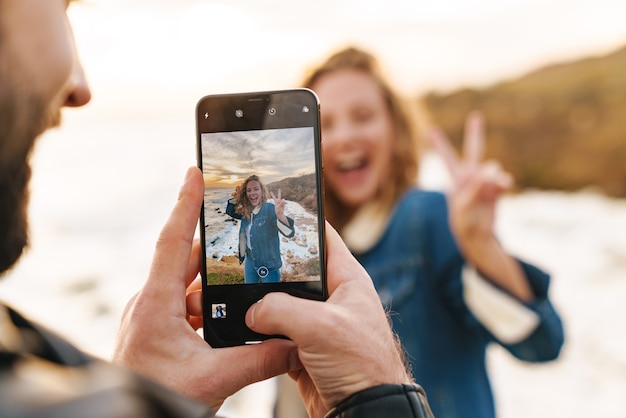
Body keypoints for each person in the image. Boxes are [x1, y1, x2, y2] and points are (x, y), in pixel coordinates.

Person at [0, 2, 434, 417]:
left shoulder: (418, 217)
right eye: (64, 5)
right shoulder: (253, 213)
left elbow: (284, 232)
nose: (80, 85)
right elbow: (229, 212)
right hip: (251, 277)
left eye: (362, 116)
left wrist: (136, 396)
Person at [276, 46, 565, 418]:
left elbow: (541, 343)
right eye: (325, 123)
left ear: (395, 129)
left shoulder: (424, 218)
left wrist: (480, 244)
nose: (344, 135)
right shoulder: (301, 247)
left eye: (362, 116)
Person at [226, 175, 295, 283]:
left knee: (270, 297)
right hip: (250, 260)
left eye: (256, 189)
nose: (252, 193)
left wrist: (280, 215)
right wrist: (238, 196)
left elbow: (289, 233)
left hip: (269, 264)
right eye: (248, 190)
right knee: (250, 295)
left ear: (262, 192)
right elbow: (230, 211)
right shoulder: (246, 211)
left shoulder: (269, 209)